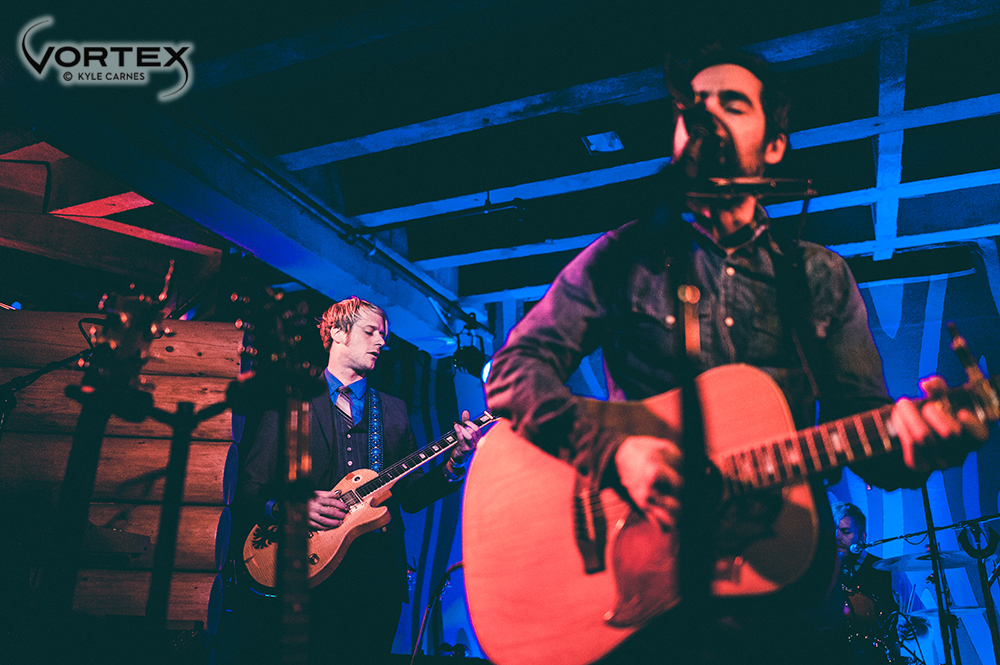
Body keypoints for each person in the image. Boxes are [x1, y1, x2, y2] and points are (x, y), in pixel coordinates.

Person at [484, 45, 988, 664]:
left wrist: (914, 442)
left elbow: (867, 428)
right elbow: (513, 372)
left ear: (773, 144)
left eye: (732, 104)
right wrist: (620, 454)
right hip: (650, 606)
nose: (706, 119)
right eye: (690, 108)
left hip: (787, 600)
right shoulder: (621, 259)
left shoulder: (820, 277)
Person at [236, 296, 482, 664]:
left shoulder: (394, 409)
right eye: (370, 332)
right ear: (337, 332)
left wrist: (454, 463)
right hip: (306, 575)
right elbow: (251, 487)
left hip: (376, 580)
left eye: (384, 335)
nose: (382, 342)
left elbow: (410, 497)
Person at [833, 502, 903, 664]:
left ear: (862, 537)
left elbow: (920, 619)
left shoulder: (888, 570)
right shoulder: (824, 573)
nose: (837, 537)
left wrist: (906, 627)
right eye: (834, 531)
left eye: (845, 532)